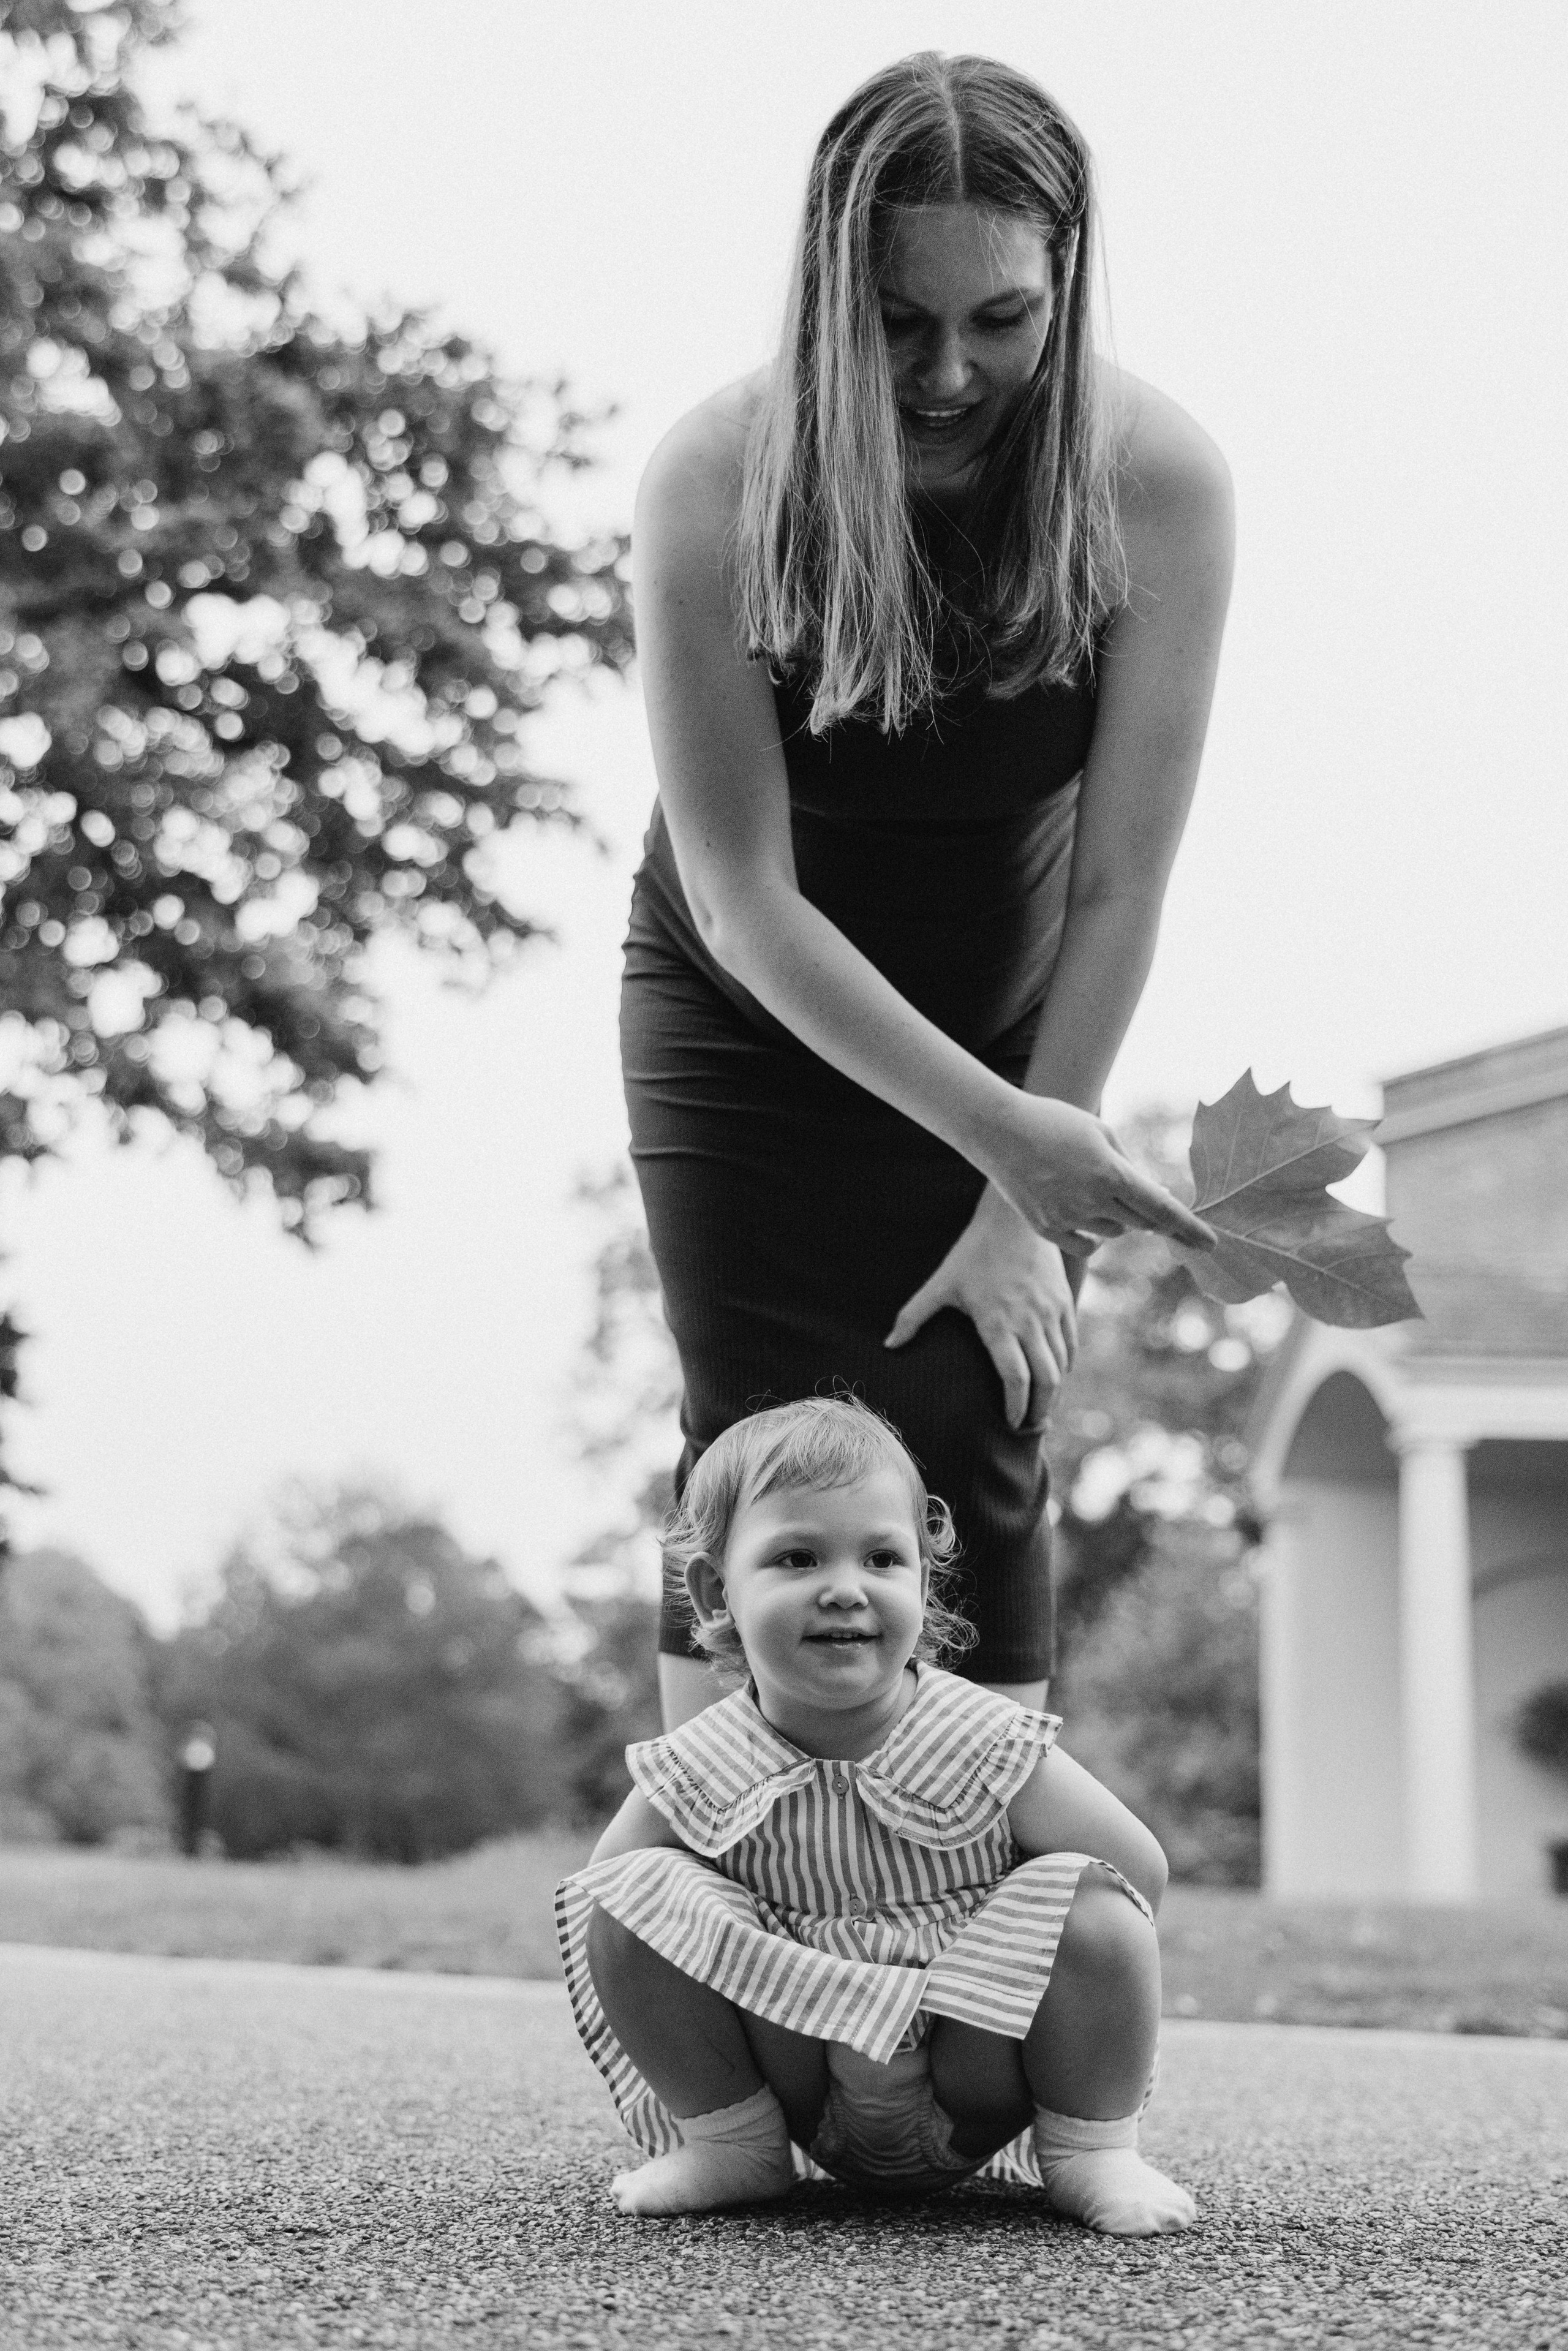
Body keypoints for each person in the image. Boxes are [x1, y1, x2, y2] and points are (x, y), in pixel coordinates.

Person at [624, 51, 1233, 1732]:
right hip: (748, 1006)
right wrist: (1007, 1135)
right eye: (899, 321)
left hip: (1013, 1002)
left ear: (1070, 282)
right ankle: (717, 1919)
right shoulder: (715, 482)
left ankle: (983, 1945)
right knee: (761, 1441)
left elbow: (1117, 881)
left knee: (977, 1418)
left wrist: (1023, 1167)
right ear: (831, 287)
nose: (951, 370)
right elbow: (747, 897)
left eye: (1004, 319)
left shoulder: (1157, 485)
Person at [556, 1397, 1196, 2234]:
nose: (846, 1589)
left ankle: (1093, 2152)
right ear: (718, 1589)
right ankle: (730, 2143)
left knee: (1099, 1904)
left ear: (922, 1582)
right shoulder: (704, 1759)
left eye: (883, 1557)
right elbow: (612, 1901)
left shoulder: (981, 1737)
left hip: (971, 2061)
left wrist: (990, 1945)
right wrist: (749, 1934)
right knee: (629, 1899)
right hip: (797, 2075)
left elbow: (1137, 1870)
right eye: (797, 1556)